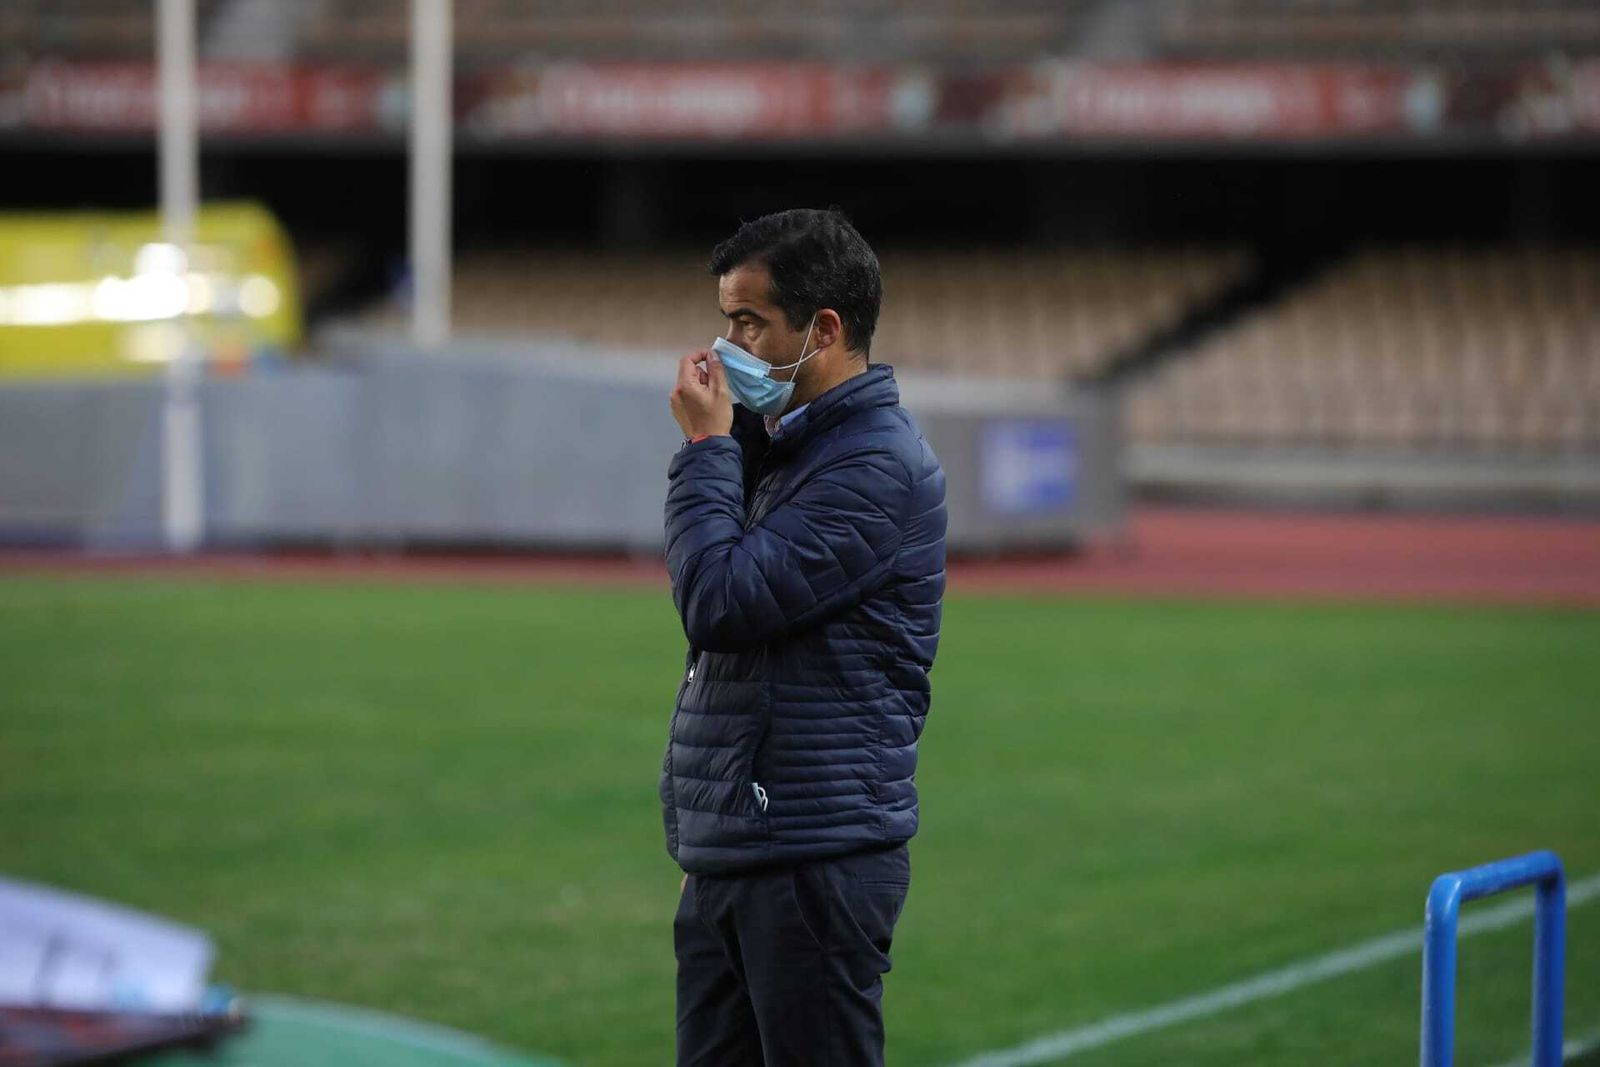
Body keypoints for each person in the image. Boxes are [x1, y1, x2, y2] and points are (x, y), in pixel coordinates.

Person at [661, 207, 947, 1066]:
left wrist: (708, 447)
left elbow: (719, 600)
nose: (728, 345)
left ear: (822, 329)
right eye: (726, 319)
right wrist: (735, 440)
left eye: (749, 320)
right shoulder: (791, 446)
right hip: (744, 847)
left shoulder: (874, 464)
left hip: (812, 858)